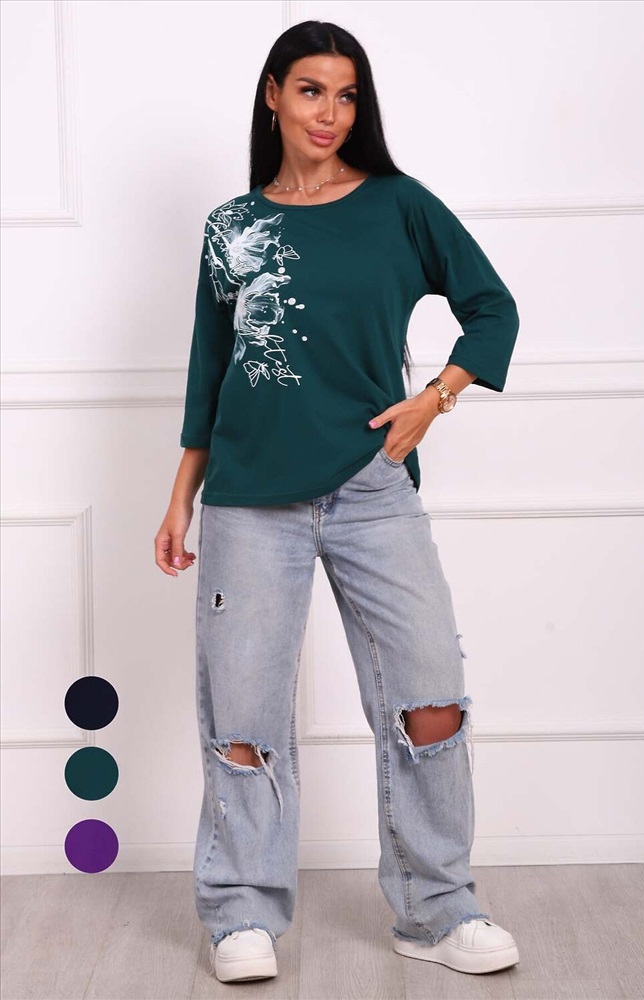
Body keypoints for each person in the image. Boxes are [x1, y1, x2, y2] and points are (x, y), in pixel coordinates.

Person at [154, 19, 521, 986]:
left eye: (347, 94)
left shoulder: (399, 205)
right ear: (273, 94)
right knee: (244, 717)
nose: (330, 112)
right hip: (247, 500)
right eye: (312, 90)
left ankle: (437, 908)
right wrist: (180, 496)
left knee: (429, 700)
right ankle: (241, 913)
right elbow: (208, 371)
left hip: (371, 489)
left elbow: (492, 306)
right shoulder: (232, 226)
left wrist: (435, 398)